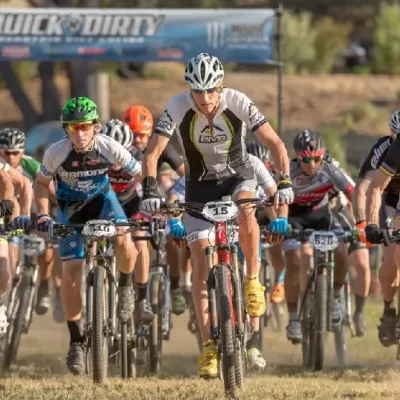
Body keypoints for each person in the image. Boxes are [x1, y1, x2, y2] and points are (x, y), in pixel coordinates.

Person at [141, 53, 293, 378]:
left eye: (211, 90)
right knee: (200, 262)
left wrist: (284, 181)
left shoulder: (237, 101)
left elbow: (276, 143)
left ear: (220, 87)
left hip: (238, 174)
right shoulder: (177, 106)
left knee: (247, 209)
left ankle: (252, 281)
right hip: (199, 184)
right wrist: (151, 190)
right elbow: (152, 152)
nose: (205, 98)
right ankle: (209, 344)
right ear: (190, 89)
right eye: (198, 91)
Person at [33, 97, 141, 375]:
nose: (79, 133)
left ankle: (126, 287)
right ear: (65, 129)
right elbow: (41, 184)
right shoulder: (56, 152)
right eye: (73, 127)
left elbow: (140, 173)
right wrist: (43, 215)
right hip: (69, 210)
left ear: (95, 126)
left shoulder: (108, 146)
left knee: (124, 238)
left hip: (103, 201)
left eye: (84, 126)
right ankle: (76, 341)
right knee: (71, 273)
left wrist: (150, 198)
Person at [282, 130, 355, 343]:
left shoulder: (330, 170)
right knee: (294, 261)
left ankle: (336, 297)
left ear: (323, 156)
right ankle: (293, 318)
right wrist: (278, 222)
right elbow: (274, 197)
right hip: (294, 216)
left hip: (321, 215)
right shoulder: (287, 171)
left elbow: (353, 192)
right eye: (306, 159)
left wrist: (361, 222)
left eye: (316, 159)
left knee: (341, 249)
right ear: (297, 156)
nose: (312, 164)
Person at [0, 127, 65, 322]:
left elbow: (47, 190)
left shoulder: (31, 165)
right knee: (11, 258)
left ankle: (44, 284)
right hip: (9, 214)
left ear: (22, 152)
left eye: (15, 153)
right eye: (6, 153)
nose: (11, 157)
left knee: (46, 248)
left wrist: (64, 210)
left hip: (32, 212)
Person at [365, 110, 400, 346]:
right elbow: (375, 187)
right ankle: (388, 309)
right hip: (392, 198)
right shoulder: (395, 148)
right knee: (392, 258)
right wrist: (370, 223)